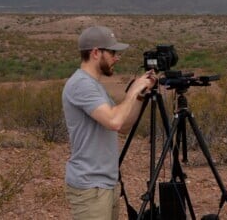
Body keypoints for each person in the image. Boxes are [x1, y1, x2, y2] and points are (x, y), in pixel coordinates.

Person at [62, 25, 157, 220]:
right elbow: (114, 121)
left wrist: (139, 96)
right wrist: (132, 91)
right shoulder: (81, 85)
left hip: (106, 184)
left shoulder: (94, 86)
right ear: (96, 53)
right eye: (112, 52)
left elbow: (123, 126)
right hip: (91, 187)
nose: (117, 58)